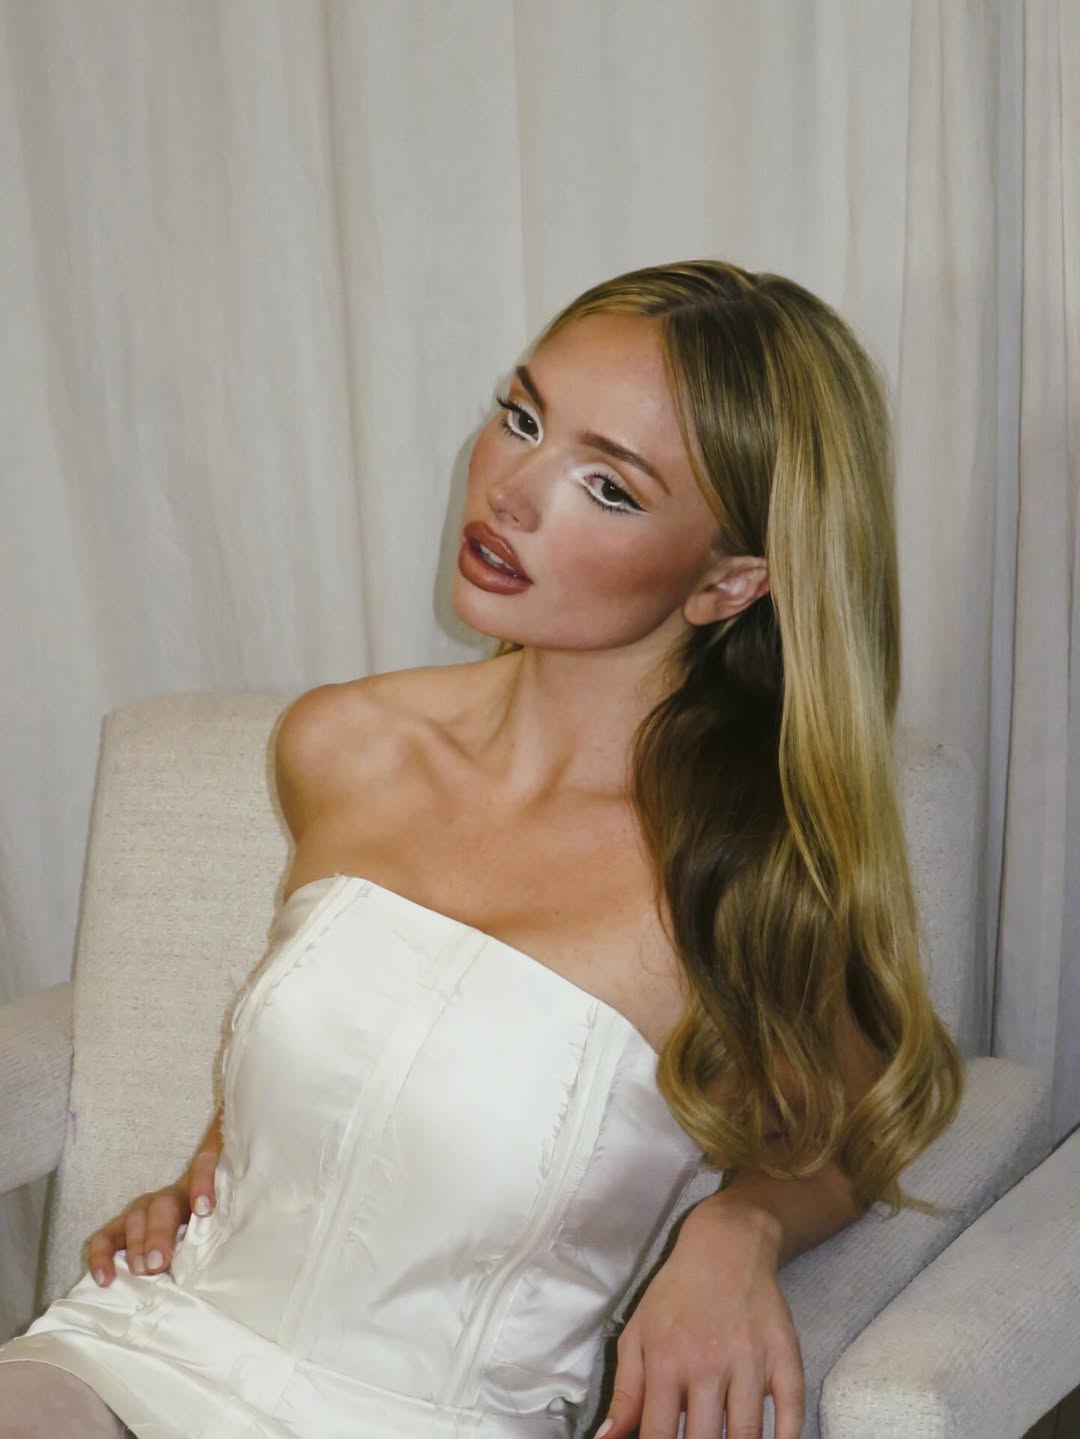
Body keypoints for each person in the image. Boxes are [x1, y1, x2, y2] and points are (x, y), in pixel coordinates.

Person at [0, 259, 964, 1439]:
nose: (511, 492)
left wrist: (743, 1223)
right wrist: (216, 1168)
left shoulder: (742, 878)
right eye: (522, 417)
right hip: (137, 1349)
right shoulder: (344, 744)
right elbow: (349, 1048)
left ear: (728, 579)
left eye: (607, 486)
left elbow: (874, 1105)